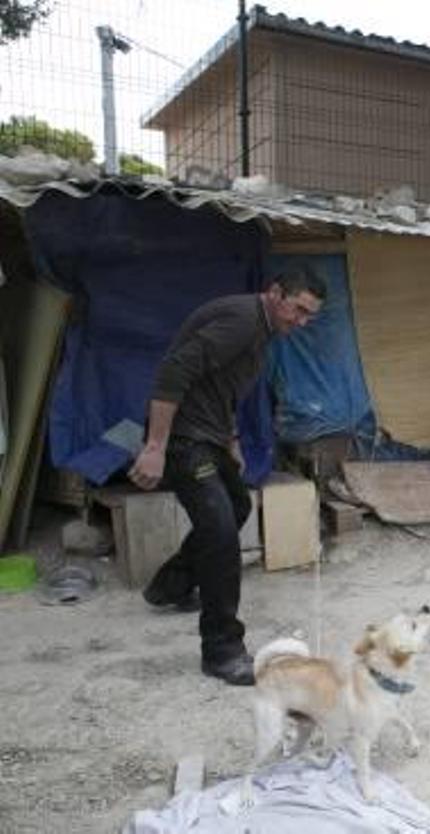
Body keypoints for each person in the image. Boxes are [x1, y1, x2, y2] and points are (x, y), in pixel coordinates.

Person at [129, 267, 325, 685]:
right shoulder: (242, 321)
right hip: (184, 438)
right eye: (299, 309)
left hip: (210, 436)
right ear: (276, 293)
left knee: (236, 506)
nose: (302, 322)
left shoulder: (262, 329)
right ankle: (222, 651)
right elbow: (174, 372)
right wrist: (156, 447)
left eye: (310, 315)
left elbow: (222, 388)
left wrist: (231, 439)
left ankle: (171, 586)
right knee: (219, 531)